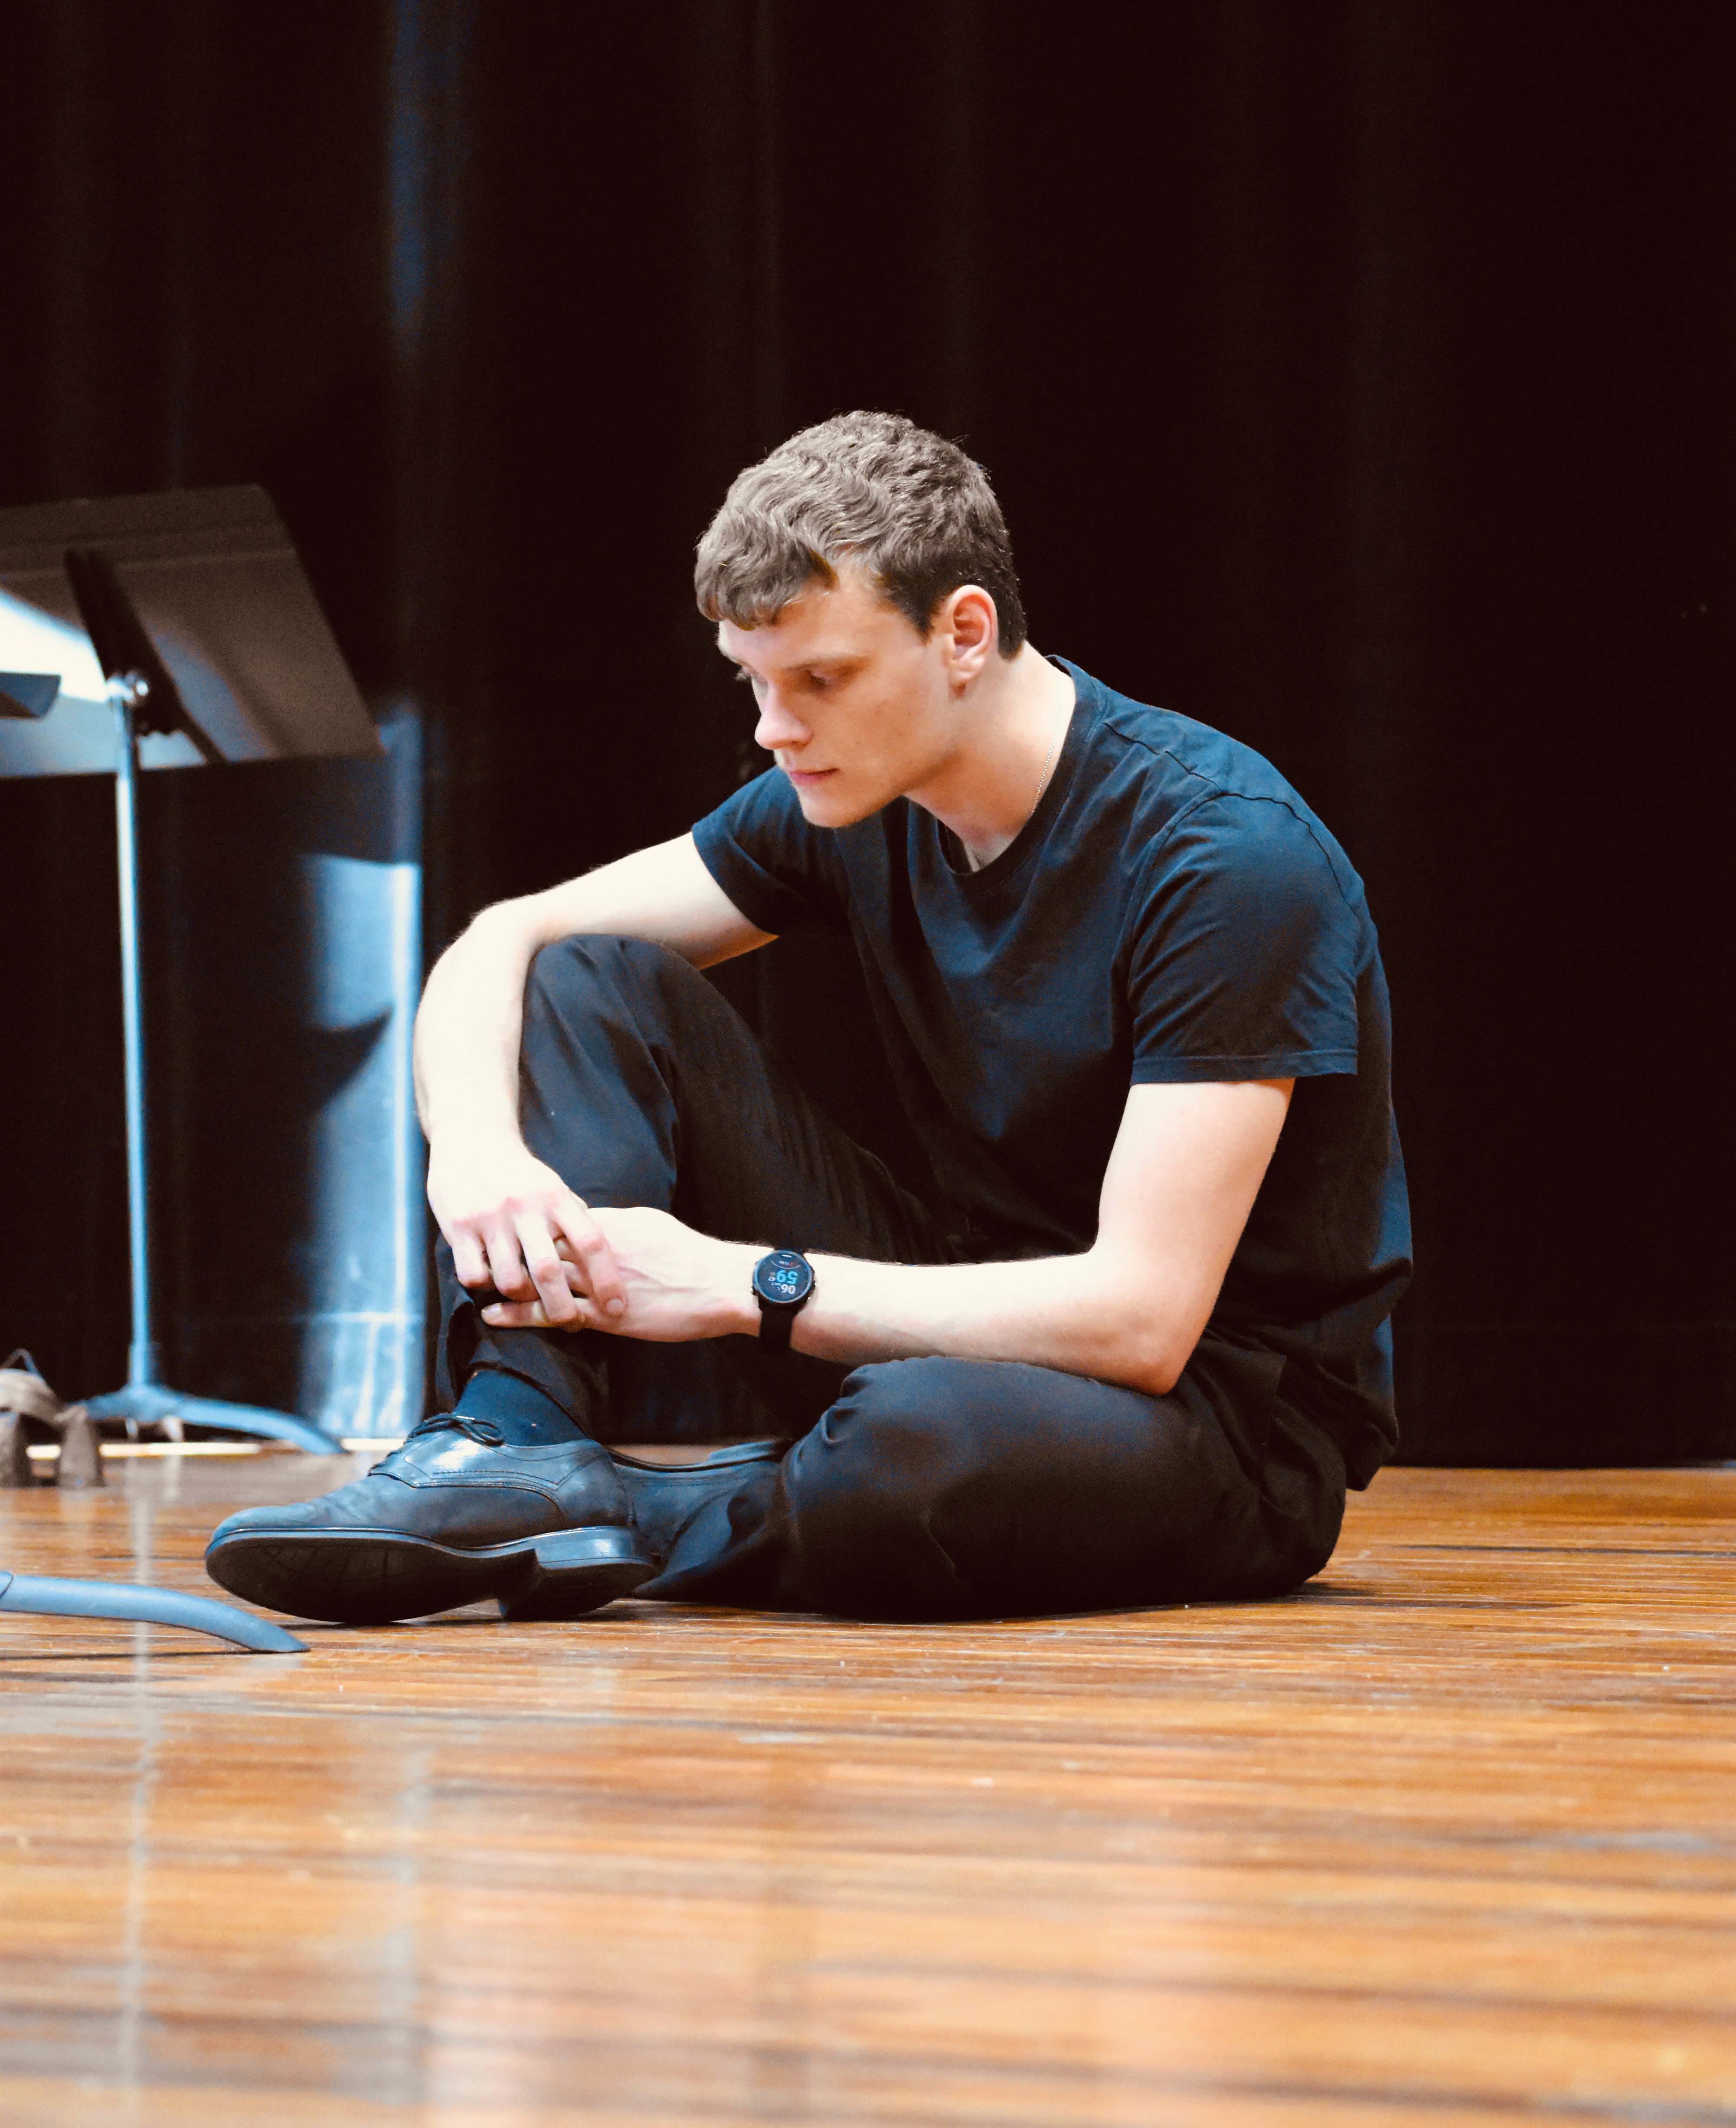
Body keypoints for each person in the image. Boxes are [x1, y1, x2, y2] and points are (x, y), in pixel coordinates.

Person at [206, 410, 1411, 1627]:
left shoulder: (1225, 857)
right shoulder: (858, 796)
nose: (774, 730)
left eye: (821, 680)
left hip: (1214, 1419)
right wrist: (474, 1152)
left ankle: (630, 1511)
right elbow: (505, 940)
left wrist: (745, 1284)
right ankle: (510, 1441)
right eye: (755, 682)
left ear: (963, 634)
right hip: (958, 1314)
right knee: (586, 976)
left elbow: (1140, 1322)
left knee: (906, 1450)